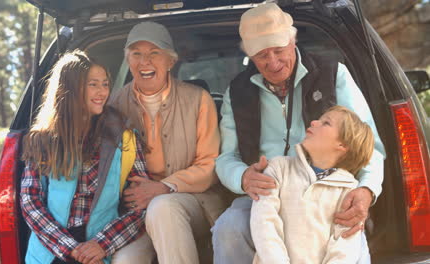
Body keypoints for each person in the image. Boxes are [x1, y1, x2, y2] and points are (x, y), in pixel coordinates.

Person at [212, 3, 386, 264]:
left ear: (292, 41)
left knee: (349, 232)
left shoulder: (332, 74)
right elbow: (227, 157)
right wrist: (243, 177)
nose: (273, 62)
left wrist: (366, 190)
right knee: (229, 227)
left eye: (279, 51)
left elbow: (367, 142)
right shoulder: (237, 92)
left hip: (326, 189)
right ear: (250, 56)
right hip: (266, 191)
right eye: (261, 56)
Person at [106, 21, 226, 264]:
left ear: (171, 61)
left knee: (163, 207)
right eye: (136, 54)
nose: (144, 62)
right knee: (125, 260)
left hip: (194, 202)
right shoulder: (114, 105)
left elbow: (210, 166)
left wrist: (164, 187)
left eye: (154, 54)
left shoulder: (198, 100)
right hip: (136, 213)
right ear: (128, 61)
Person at [20, 50, 149, 264]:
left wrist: (102, 244)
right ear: (70, 88)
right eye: (93, 84)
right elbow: (30, 201)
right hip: (50, 251)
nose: (102, 92)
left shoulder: (124, 138)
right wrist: (70, 249)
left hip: (99, 249)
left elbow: (141, 206)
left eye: (105, 84)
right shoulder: (42, 139)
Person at [251, 106, 375, 264]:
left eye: (326, 123)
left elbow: (344, 249)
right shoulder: (278, 168)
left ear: (343, 145)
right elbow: (264, 222)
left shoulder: (349, 191)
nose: (314, 122)